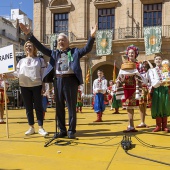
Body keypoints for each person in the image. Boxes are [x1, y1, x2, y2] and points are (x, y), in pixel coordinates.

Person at [19, 23, 97, 139]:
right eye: (59, 40)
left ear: (68, 42)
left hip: (70, 81)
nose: (60, 42)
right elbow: (40, 47)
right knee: (59, 107)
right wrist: (28, 34)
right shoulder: (54, 53)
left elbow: (87, 49)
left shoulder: (74, 52)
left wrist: (92, 37)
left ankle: (71, 130)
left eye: (63, 40)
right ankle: (62, 130)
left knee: (71, 107)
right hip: (58, 80)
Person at [14, 41, 48, 136]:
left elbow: (43, 74)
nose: (28, 47)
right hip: (24, 86)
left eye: (30, 46)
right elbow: (17, 74)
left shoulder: (39, 60)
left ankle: (41, 127)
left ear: (34, 48)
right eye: (27, 46)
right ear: (25, 48)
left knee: (38, 107)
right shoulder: (21, 61)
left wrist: (43, 86)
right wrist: (7, 75)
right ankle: (31, 127)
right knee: (28, 108)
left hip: (37, 85)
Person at [116, 45, 142, 132]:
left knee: (132, 107)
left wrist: (137, 77)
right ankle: (131, 125)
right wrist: (120, 80)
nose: (131, 54)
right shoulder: (124, 65)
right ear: (127, 54)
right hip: (126, 88)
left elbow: (142, 76)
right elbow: (120, 76)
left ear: (135, 54)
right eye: (129, 53)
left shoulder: (138, 65)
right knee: (128, 107)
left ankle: (131, 125)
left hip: (135, 88)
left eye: (132, 53)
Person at [148, 56, 170, 132]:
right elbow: (152, 79)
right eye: (156, 59)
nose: (158, 60)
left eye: (160, 59)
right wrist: (159, 83)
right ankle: (158, 125)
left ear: (162, 60)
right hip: (157, 89)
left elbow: (168, 78)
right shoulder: (151, 70)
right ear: (154, 61)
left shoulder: (165, 69)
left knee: (165, 105)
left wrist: (167, 82)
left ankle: (164, 126)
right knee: (157, 106)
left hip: (165, 89)